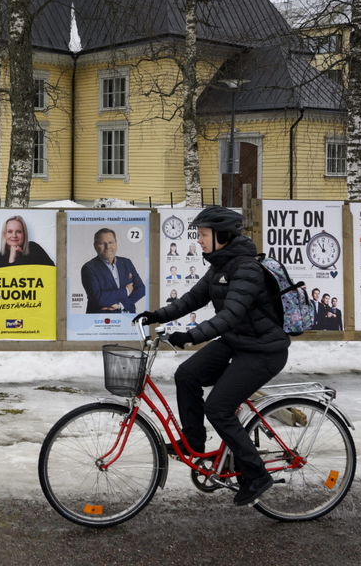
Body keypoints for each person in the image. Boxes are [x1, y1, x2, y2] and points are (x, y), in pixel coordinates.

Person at [134, 206, 289, 507]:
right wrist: (156, 315)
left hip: (263, 350)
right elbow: (193, 299)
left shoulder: (246, 268)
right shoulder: (220, 265)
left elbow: (231, 315)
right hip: (237, 341)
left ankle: (256, 475)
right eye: (199, 234)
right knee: (187, 375)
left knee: (218, 407)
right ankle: (193, 440)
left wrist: (191, 335)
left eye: (204, 234)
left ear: (223, 236)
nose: (199, 240)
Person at [81, 228, 147, 313]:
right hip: (102, 318)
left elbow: (142, 289)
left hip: (128, 315)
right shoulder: (89, 268)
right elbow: (98, 298)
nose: (108, 247)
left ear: (116, 243)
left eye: (111, 242)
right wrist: (126, 291)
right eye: (102, 243)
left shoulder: (126, 262)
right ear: (95, 246)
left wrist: (121, 305)